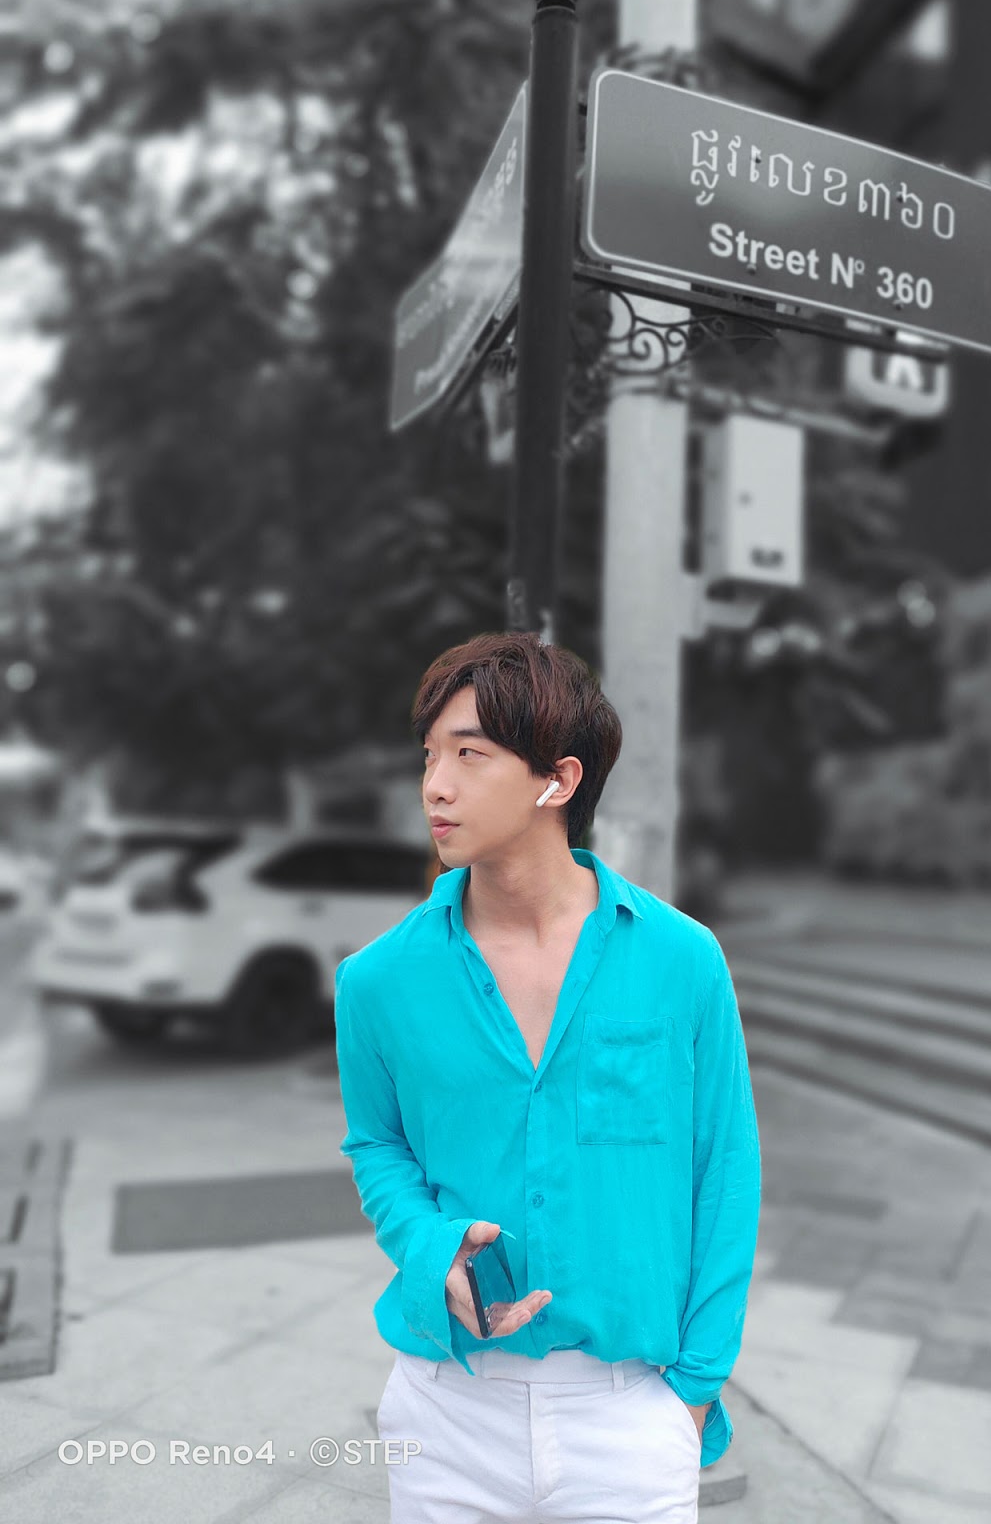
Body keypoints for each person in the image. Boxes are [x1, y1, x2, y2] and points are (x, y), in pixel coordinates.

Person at [334, 631, 761, 1523]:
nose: (435, 785)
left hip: (630, 1414)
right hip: (447, 1408)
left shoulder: (683, 960)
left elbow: (724, 1169)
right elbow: (376, 1143)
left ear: (557, 781)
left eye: (469, 755)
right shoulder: (377, 980)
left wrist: (693, 1391)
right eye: (429, 756)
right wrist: (427, 1243)